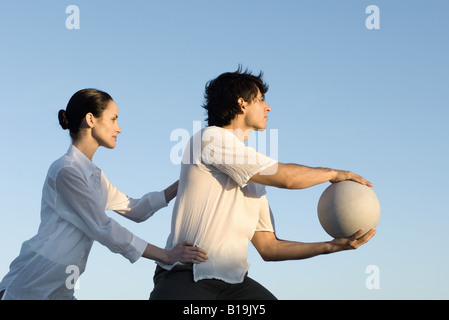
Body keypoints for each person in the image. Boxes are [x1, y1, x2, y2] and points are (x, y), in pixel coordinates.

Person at [149, 67, 376, 300]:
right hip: (187, 278)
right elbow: (286, 177)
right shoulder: (209, 138)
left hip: (233, 284)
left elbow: (270, 247)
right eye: (260, 100)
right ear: (242, 104)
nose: (268, 107)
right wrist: (334, 173)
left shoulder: (253, 177)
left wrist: (332, 246)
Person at [0, 89, 207, 300]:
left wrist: (185, 182)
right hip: (33, 281)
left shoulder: (96, 178)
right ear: (91, 119)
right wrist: (167, 255)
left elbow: (136, 209)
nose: (119, 128)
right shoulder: (66, 170)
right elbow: (104, 228)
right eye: (113, 119)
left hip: (62, 286)